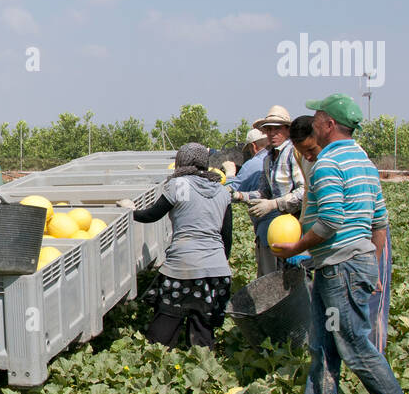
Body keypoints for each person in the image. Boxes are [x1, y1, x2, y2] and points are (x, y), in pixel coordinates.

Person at [270, 94, 409, 394]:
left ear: (329, 125)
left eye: (317, 117)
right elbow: (380, 221)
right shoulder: (364, 163)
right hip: (343, 266)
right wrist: (372, 267)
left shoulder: (328, 164)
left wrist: (298, 246)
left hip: (340, 268)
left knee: (354, 345)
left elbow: (331, 219)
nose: (313, 122)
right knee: (322, 343)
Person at [290, 114, 392, 352]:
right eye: (301, 151)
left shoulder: (349, 159)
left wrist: (374, 263)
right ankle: (343, 363)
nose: (307, 156)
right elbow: (311, 202)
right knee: (332, 320)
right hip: (334, 247)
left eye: (310, 149)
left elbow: (339, 219)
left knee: (371, 307)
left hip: (367, 240)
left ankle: (373, 360)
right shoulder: (308, 158)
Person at [120, 143, 233, 349]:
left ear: (181, 162)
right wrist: (217, 263)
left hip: (184, 264)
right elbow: (227, 236)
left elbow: (152, 215)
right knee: (203, 322)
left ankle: (159, 354)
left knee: (166, 319)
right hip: (217, 267)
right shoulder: (222, 191)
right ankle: (203, 362)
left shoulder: (179, 185)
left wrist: (131, 210)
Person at [233, 105, 304, 277]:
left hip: (294, 227)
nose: (272, 133)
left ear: (287, 130)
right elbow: (263, 192)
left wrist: (274, 204)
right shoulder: (268, 158)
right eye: (268, 129)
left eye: (277, 129)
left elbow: (304, 192)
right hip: (274, 231)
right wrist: (241, 195)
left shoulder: (293, 154)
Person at [226, 127, 268, 193]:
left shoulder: (252, 164)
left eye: (248, 150)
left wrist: (229, 175)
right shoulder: (274, 158)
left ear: (252, 146)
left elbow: (232, 191)